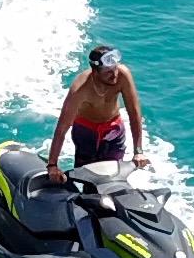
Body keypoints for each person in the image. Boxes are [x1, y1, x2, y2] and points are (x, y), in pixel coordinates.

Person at [45, 44, 147, 179]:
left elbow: (134, 113)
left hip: (113, 131)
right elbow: (62, 127)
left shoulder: (123, 75)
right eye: (108, 72)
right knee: (87, 179)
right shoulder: (80, 88)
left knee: (114, 174)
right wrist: (52, 165)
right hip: (86, 133)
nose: (114, 74)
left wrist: (138, 151)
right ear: (95, 72)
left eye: (115, 68)